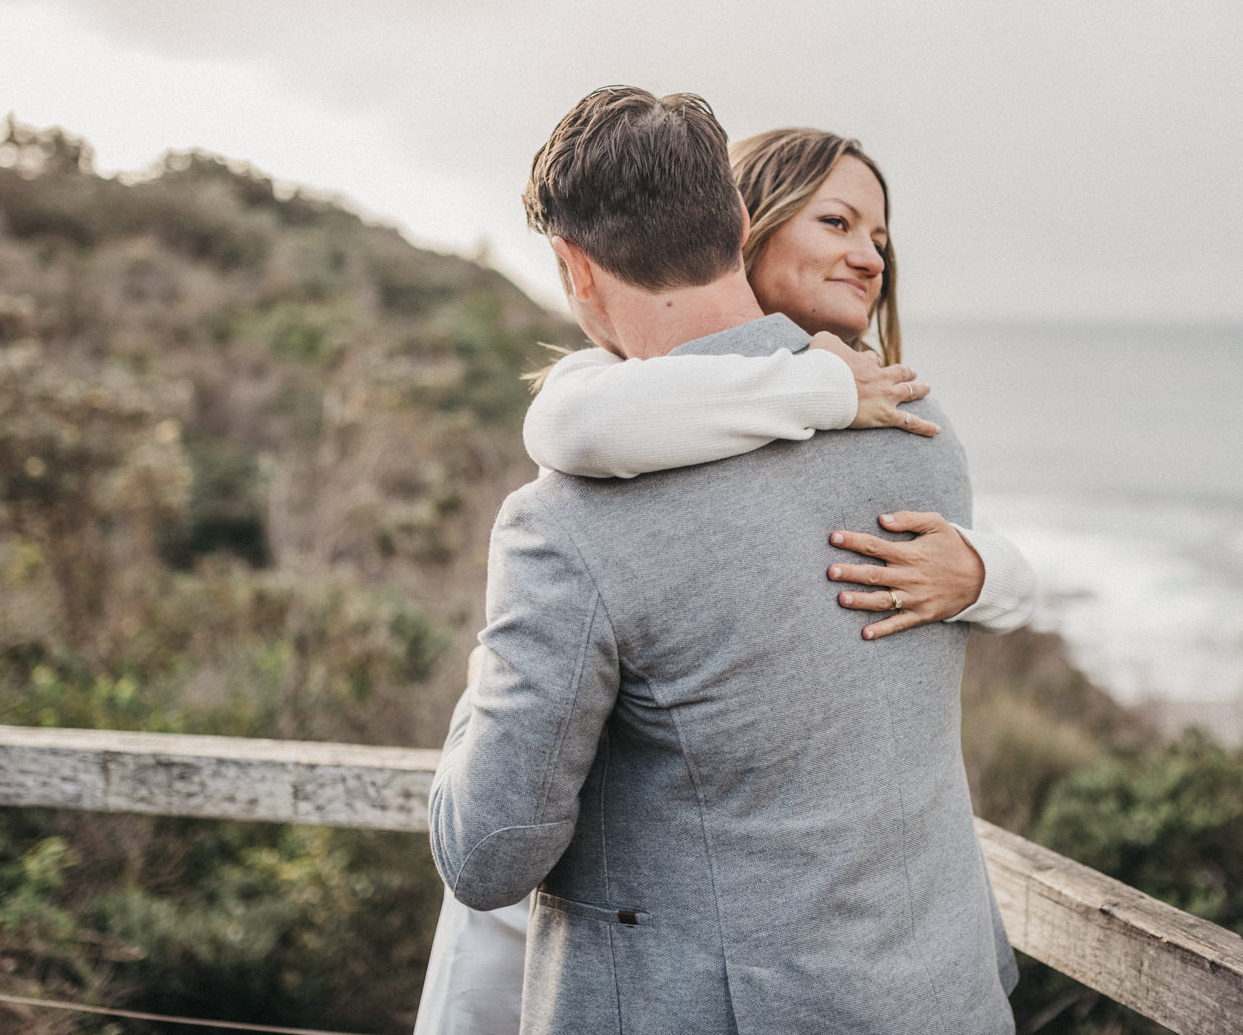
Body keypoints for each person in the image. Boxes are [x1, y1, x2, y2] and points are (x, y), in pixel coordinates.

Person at [413, 125, 1036, 1034]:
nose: (869, 256)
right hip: (942, 997)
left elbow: (489, 855)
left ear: (573, 267)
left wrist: (489, 679)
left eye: (878, 237)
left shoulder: (569, 521)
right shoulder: (915, 423)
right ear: (743, 219)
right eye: (838, 222)